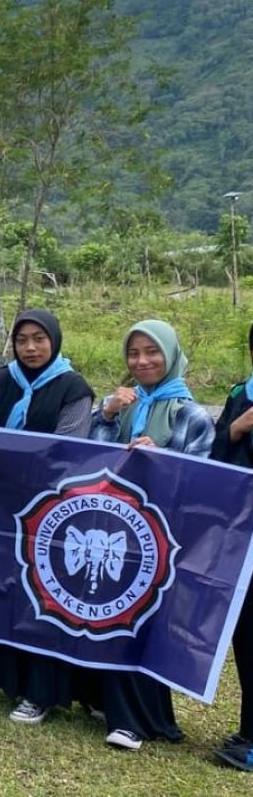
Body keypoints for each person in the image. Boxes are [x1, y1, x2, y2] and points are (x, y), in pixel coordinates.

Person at [85, 318, 214, 750]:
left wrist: (162, 458)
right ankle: (119, 712)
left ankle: (141, 721)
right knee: (113, 620)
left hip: (164, 539)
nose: (142, 361)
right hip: (117, 531)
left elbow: (201, 481)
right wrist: (106, 414)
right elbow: (89, 458)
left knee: (147, 625)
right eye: (134, 353)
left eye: (152, 352)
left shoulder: (191, 414)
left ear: (171, 355)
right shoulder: (124, 404)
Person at [0, 310, 95, 723]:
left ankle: (41, 692)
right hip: (4, 506)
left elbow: (69, 451)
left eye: (39, 338)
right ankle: (10, 679)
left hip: (52, 511)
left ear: (54, 340)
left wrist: (14, 460)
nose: (30, 347)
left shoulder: (72, 387)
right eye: (22, 339)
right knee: (8, 589)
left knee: (45, 599)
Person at [211, 321, 253, 771]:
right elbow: (216, 463)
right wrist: (236, 431)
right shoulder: (240, 395)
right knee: (246, 636)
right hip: (242, 538)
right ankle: (248, 732)